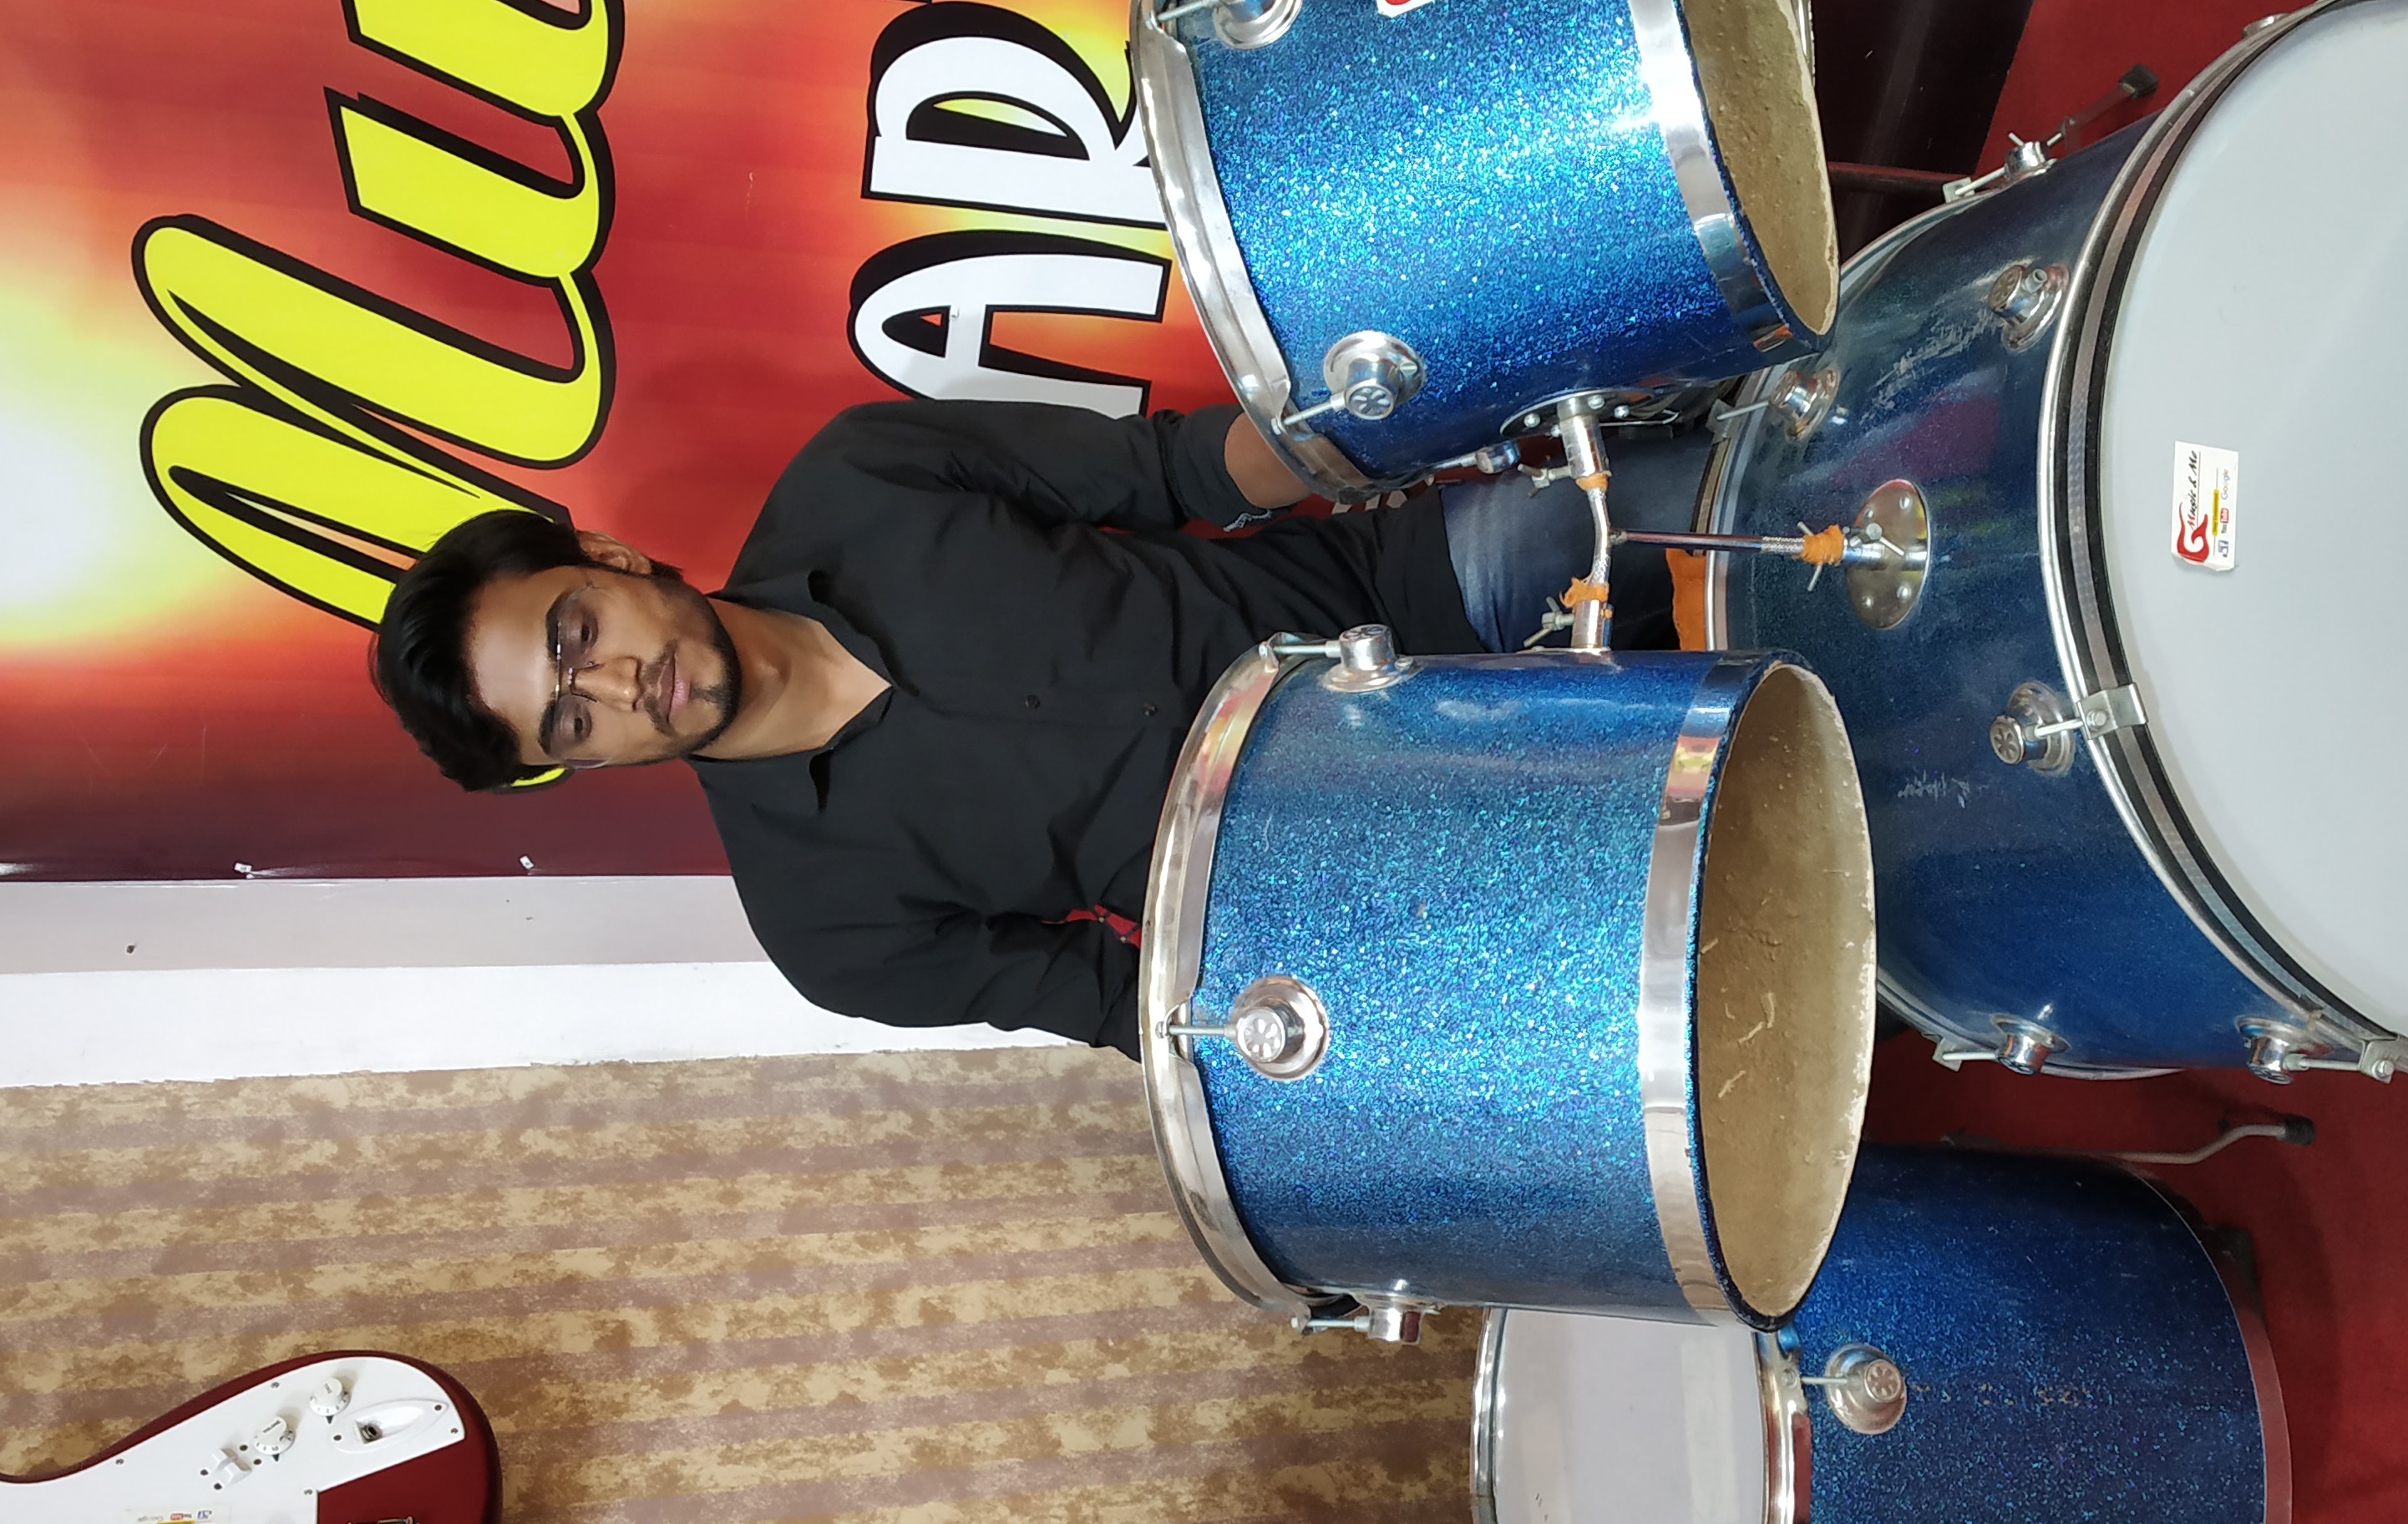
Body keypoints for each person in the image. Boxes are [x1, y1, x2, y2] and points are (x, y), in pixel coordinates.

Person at [368, 397, 1700, 1055]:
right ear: (581, 763)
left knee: (1720, 504)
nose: (612, 686)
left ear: (606, 560)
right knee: (1688, 939)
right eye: (570, 719)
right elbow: (1141, 1008)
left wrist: (1367, 410)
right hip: (1381, 872)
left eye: (575, 634)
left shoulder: (857, 477)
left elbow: (1178, 469)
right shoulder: (827, 934)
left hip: (1409, 595)